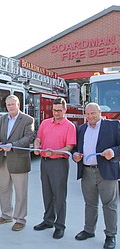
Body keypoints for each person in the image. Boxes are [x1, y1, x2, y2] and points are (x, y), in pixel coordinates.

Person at [72, 103, 120, 249]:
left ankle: (111, 235)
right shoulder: (81, 129)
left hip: (105, 171)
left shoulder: (113, 126)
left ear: (100, 112)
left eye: (93, 113)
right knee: (90, 203)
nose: (90, 116)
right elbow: (75, 147)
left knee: (109, 204)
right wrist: (75, 155)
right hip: (87, 171)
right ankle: (89, 230)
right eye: (87, 114)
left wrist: (113, 151)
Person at [33, 97, 76, 239]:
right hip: (44, 162)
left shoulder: (69, 126)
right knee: (47, 193)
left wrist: (55, 152)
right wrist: (36, 145)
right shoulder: (45, 123)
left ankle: (60, 225)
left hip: (59, 163)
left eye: (59, 111)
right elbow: (38, 138)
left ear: (65, 110)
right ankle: (48, 220)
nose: (56, 113)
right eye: (54, 110)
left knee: (59, 195)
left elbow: (69, 147)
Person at [0, 95, 34, 231]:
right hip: (3, 159)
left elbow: (29, 137)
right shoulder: (3, 118)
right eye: (8, 105)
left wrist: (13, 145)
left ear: (18, 105)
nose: (10, 107)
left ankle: (20, 219)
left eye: (12, 104)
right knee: (3, 188)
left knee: (20, 192)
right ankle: (6, 215)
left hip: (19, 159)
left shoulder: (28, 120)